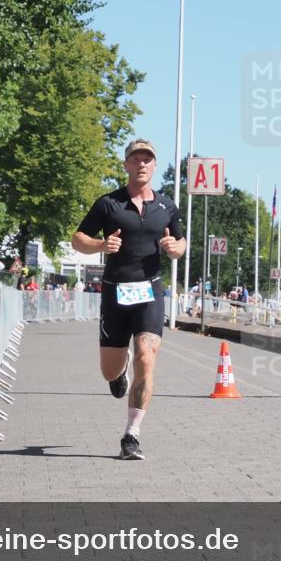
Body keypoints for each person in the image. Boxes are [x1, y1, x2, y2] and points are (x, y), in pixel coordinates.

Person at [71, 139, 185, 460]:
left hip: (150, 292)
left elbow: (181, 242)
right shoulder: (109, 204)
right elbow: (78, 239)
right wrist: (100, 246)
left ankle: (131, 435)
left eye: (147, 159)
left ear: (154, 165)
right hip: (115, 293)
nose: (142, 164)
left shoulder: (166, 207)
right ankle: (119, 373)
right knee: (109, 371)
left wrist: (175, 249)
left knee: (146, 356)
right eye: (136, 159)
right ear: (126, 165)